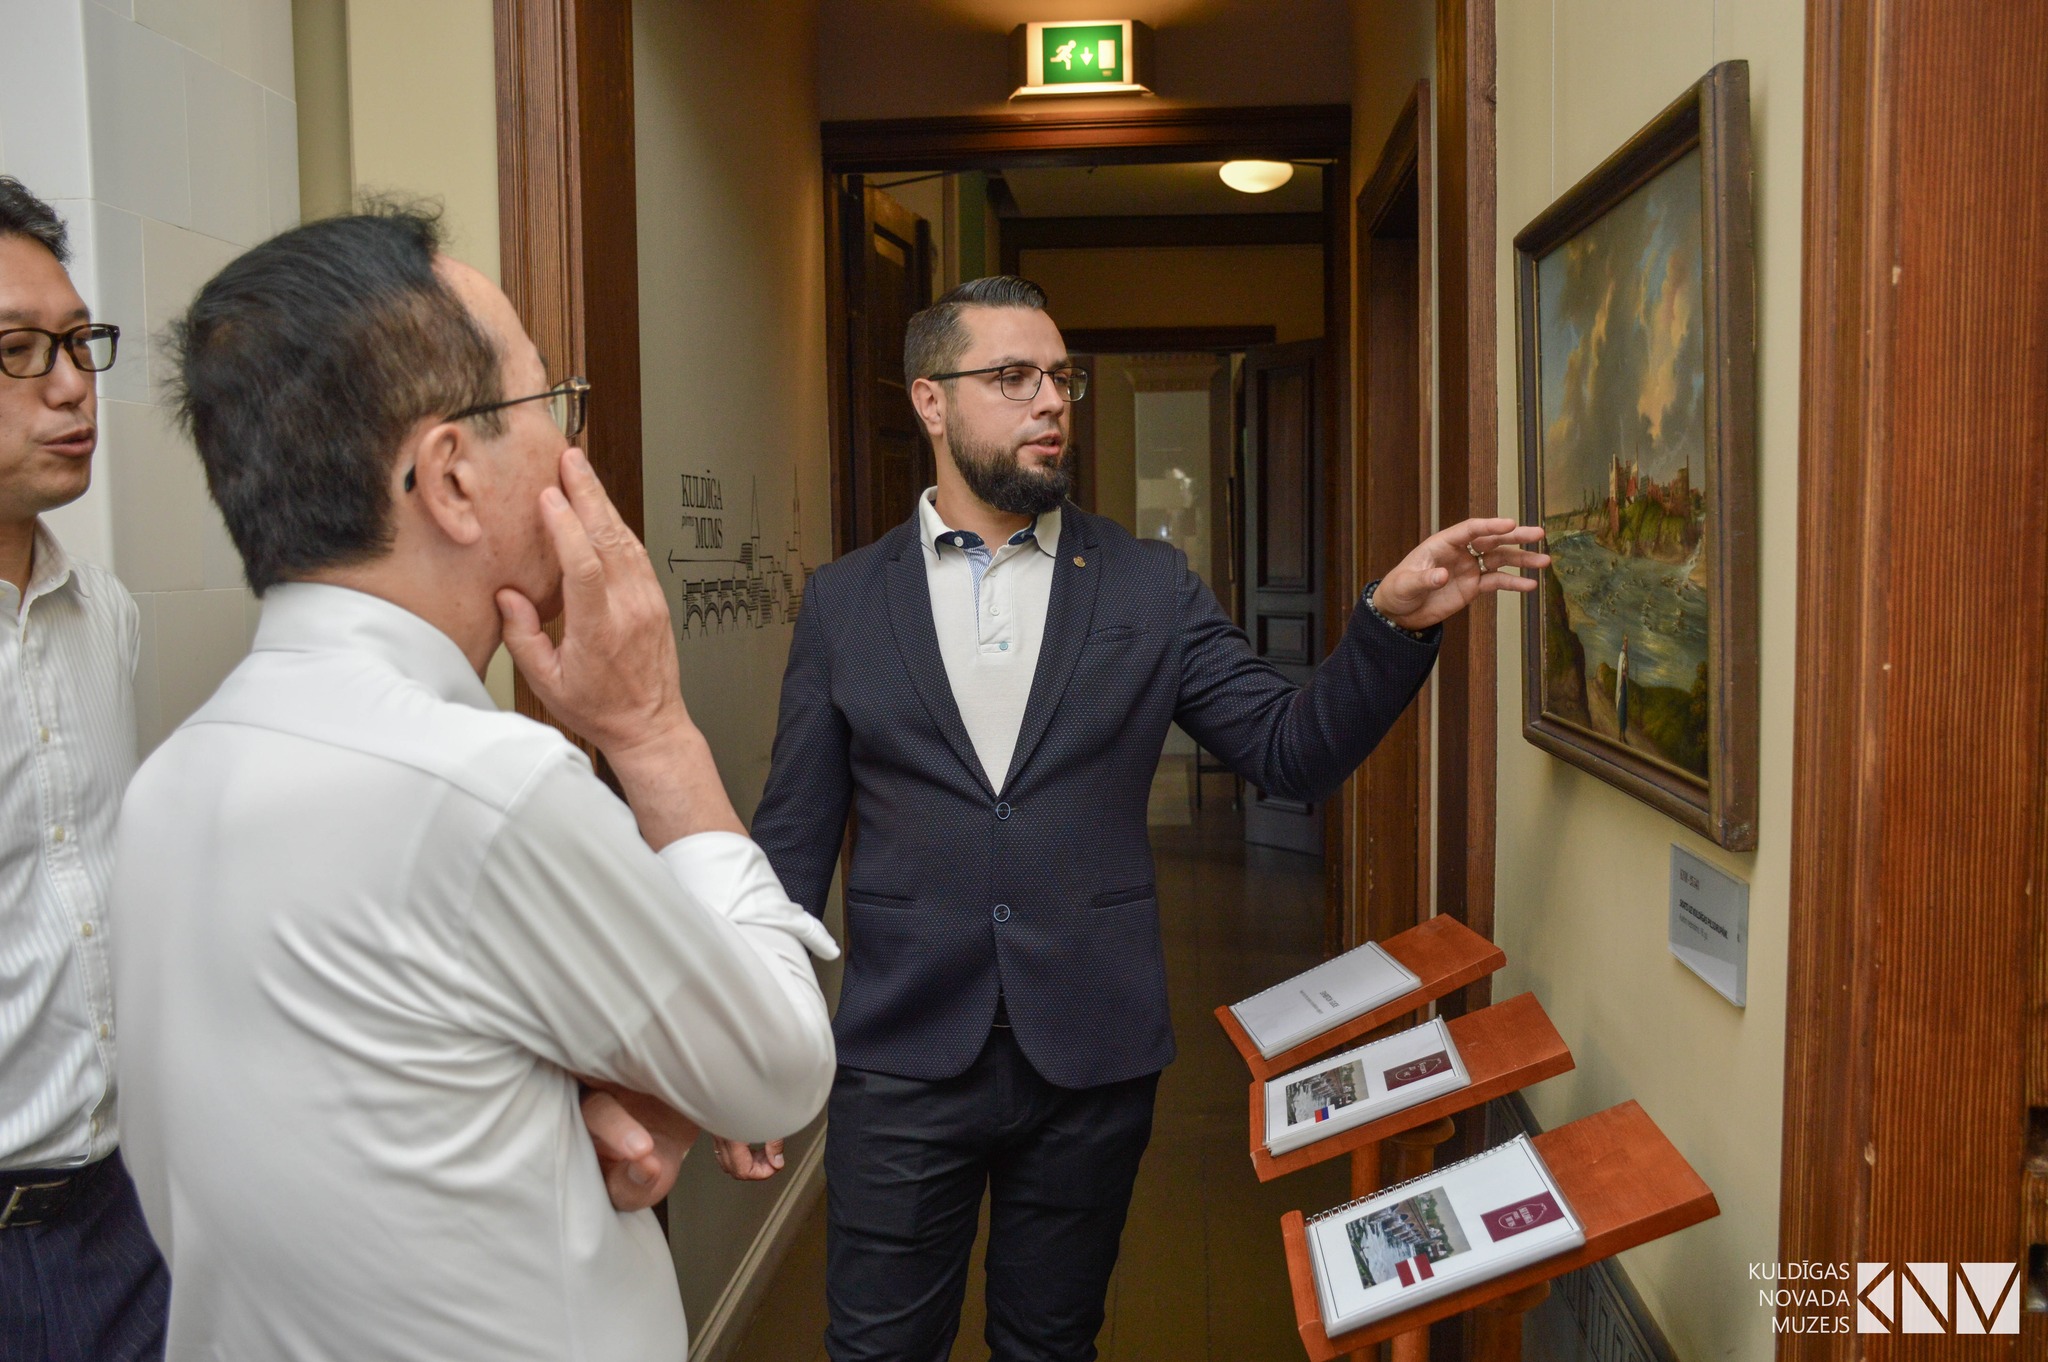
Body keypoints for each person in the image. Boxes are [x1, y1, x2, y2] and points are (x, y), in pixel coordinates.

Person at [744, 275, 1548, 1361]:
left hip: (1089, 1055)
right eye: (1012, 377)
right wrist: (751, 1060)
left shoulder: (1145, 586)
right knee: (878, 1350)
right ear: (930, 401)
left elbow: (1290, 750)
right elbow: (791, 847)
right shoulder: (844, 603)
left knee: (1051, 1344)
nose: (1050, 402)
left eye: (1060, 378)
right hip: (902, 1057)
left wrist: (1389, 624)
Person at [108, 207, 838, 1360]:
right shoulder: (481, 786)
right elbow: (778, 1069)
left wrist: (579, 1091)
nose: (569, 449)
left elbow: (375, 1099)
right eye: (547, 404)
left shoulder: (166, 783)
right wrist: (653, 734)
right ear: (451, 476)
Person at [0, 176, 169, 1362]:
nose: (70, 386)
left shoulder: (103, 615)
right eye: (18, 351)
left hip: (119, 1215)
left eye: (77, 342)